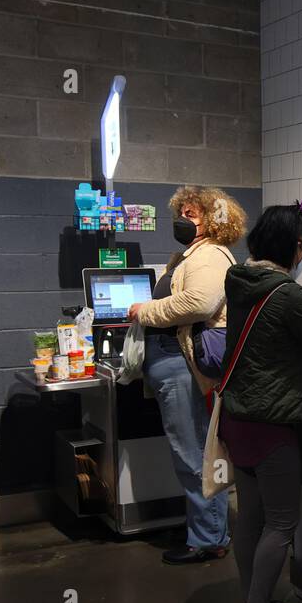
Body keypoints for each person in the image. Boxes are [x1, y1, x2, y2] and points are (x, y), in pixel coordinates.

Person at [218, 201, 302, 603]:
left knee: (250, 519)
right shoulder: (288, 296)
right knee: (282, 523)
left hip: (238, 419)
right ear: (292, 246)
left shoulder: (241, 279)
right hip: (272, 424)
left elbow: (275, 323)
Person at [127, 186, 244, 565]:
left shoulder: (208, 255)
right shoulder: (188, 255)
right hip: (170, 361)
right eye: (183, 212)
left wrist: (145, 311)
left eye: (193, 214)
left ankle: (209, 538)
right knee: (188, 449)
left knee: (192, 451)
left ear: (213, 219)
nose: (184, 220)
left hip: (180, 363)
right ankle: (207, 530)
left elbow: (200, 302)